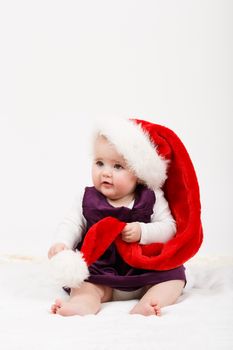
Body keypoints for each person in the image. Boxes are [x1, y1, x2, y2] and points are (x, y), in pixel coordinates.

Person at [48, 118, 186, 317]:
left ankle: (149, 303)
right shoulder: (87, 198)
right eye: (99, 163)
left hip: (145, 269)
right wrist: (62, 243)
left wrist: (143, 231)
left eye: (118, 167)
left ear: (138, 173)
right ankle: (83, 304)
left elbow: (170, 228)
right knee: (84, 284)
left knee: (174, 278)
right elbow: (72, 223)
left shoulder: (152, 197)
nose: (105, 172)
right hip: (100, 270)